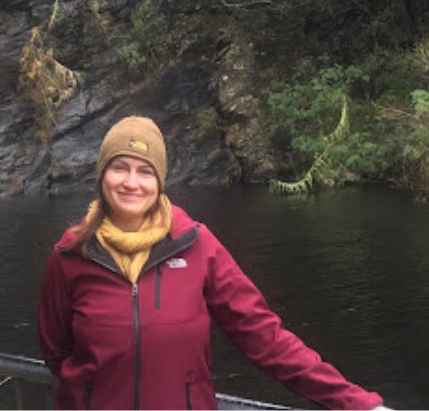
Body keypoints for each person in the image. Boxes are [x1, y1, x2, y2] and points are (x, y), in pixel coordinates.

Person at [37, 116, 386, 410]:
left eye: (145, 171)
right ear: (102, 176)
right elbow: (56, 352)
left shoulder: (196, 245)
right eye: (120, 168)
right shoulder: (69, 257)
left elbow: (263, 336)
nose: (131, 182)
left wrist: (356, 402)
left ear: (159, 181)